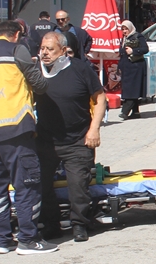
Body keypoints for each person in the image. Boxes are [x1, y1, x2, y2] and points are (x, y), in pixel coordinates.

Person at [0, 19, 54, 255]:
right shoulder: (17, 50)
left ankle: (2, 241)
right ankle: (28, 239)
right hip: (15, 126)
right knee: (27, 184)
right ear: (17, 34)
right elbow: (39, 85)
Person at [35, 31, 106, 242]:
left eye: (50, 50)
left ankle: (80, 224)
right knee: (41, 184)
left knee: (78, 186)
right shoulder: (36, 71)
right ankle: (51, 224)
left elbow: (100, 98)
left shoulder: (81, 69)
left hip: (77, 139)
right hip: (46, 139)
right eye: (42, 49)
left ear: (64, 51)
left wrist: (94, 129)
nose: (45, 54)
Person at [116, 20, 149, 119]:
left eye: (126, 29)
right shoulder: (124, 39)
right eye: (123, 29)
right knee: (131, 89)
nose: (124, 31)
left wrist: (133, 51)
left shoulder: (138, 36)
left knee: (132, 90)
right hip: (127, 68)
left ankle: (125, 112)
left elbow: (145, 49)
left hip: (135, 68)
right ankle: (136, 112)